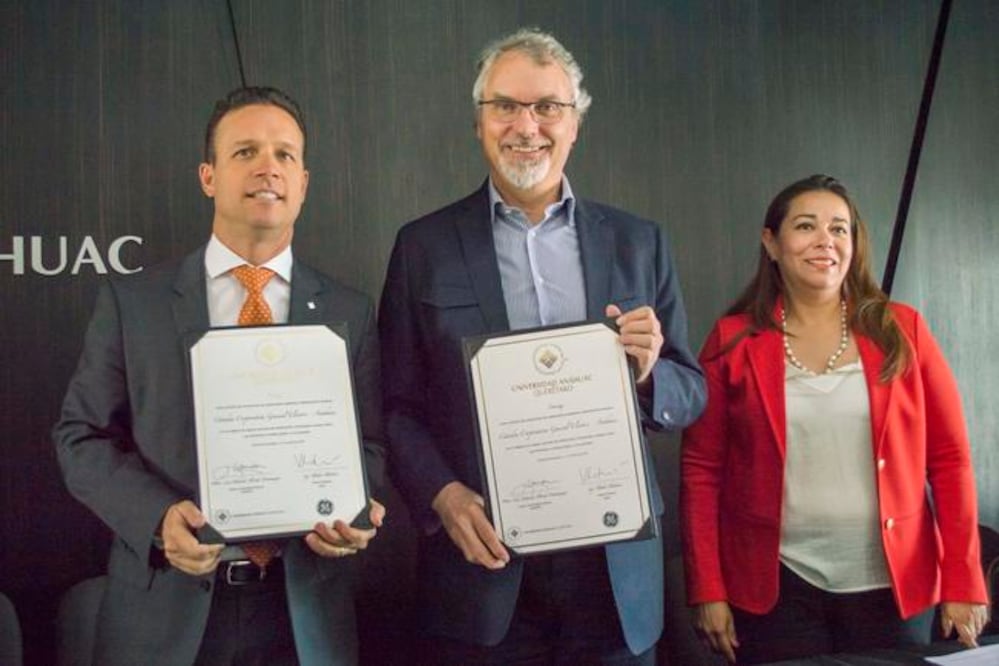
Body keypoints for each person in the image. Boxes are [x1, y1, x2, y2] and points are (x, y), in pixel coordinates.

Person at [378, 28, 706, 664]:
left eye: (547, 107)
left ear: (575, 124)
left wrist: (645, 374)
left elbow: (688, 390)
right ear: (479, 123)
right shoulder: (423, 247)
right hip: (483, 570)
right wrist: (441, 495)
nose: (526, 125)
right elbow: (394, 404)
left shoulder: (640, 243)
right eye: (505, 105)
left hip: (613, 574)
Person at [53, 86, 385, 666]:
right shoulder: (135, 303)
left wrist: (357, 509)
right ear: (208, 176)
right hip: (164, 617)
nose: (268, 167)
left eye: (285, 155)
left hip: (303, 617)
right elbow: (79, 438)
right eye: (245, 152)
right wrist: (157, 518)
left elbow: (371, 446)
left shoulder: (348, 311)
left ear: (304, 182)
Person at [680, 174, 989, 664]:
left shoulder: (901, 330)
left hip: (895, 585)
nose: (825, 240)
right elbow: (701, 472)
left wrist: (963, 578)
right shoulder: (732, 340)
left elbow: (950, 461)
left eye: (839, 229)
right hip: (776, 589)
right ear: (772, 244)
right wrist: (707, 590)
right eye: (806, 226)